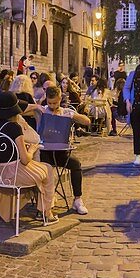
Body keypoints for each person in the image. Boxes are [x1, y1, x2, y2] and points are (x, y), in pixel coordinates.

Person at [0, 91, 58, 223]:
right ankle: (46, 212)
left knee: (39, 173)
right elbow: (25, 159)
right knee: (48, 170)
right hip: (15, 174)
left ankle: (42, 209)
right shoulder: (14, 128)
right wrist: (32, 149)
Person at [35, 86, 91, 214]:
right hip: (45, 152)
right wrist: (35, 106)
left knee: (76, 164)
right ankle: (46, 199)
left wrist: (73, 116)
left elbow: (87, 122)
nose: (52, 106)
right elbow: (22, 110)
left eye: (55, 103)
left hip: (61, 152)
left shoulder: (66, 112)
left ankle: (78, 200)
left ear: (60, 99)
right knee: (45, 169)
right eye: (49, 103)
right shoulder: (43, 110)